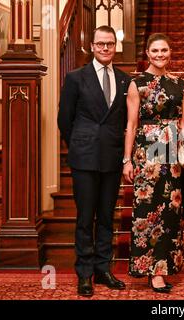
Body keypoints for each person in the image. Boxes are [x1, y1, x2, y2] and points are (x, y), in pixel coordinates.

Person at [58, 25, 132, 297]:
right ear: (92, 46)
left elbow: (126, 121)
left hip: (112, 158)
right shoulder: (76, 77)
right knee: (84, 218)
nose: (105, 48)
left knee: (106, 218)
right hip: (85, 158)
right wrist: (79, 145)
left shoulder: (125, 80)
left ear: (115, 46)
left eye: (110, 44)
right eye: (100, 44)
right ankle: (85, 274)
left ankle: (103, 269)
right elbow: (64, 120)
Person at [123, 33, 184, 293]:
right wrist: (126, 160)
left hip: (173, 153)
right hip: (147, 154)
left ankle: (163, 268)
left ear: (170, 52)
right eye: (155, 50)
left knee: (169, 212)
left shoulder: (179, 83)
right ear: (147, 53)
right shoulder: (137, 83)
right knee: (147, 211)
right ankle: (150, 271)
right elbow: (131, 124)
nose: (160, 54)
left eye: (164, 50)